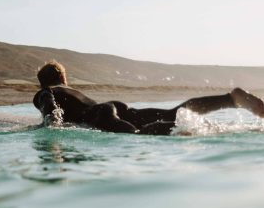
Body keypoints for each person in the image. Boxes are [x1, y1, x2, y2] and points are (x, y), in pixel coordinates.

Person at [33, 61, 264, 136]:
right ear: (64, 77)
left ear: (42, 82)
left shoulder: (46, 91)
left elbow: (51, 111)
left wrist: (50, 127)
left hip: (99, 115)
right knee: (172, 112)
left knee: (137, 136)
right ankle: (229, 100)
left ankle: (176, 128)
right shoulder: (69, 90)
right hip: (115, 106)